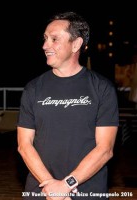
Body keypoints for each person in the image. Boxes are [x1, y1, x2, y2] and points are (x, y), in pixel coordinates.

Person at [17, 12, 119, 200]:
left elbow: (105, 148)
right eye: (45, 39)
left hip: (87, 192)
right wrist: (51, 187)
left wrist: (66, 184)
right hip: (41, 191)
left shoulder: (102, 88)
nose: (45, 45)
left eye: (54, 39)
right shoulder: (33, 89)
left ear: (76, 44)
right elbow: (24, 145)